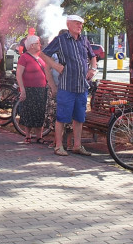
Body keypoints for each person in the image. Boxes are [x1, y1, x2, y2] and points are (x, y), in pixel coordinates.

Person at [39, 14, 97, 156]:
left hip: (81, 86)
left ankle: (77, 145)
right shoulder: (61, 40)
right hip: (67, 85)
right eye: (77, 23)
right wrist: (55, 65)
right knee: (62, 117)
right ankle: (58, 146)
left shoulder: (84, 40)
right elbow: (43, 54)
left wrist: (93, 69)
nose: (80, 26)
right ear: (69, 25)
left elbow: (93, 56)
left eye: (81, 24)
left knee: (79, 117)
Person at [15, 34, 49, 144]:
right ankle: (28, 135)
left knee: (40, 112)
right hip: (29, 89)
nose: (40, 45)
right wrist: (22, 89)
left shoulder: (42, 56)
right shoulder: (24, 57)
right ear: (32, 45)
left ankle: (39, 136)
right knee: (28, 112)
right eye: (38, 43)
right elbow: (19, 74)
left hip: (41, 89)